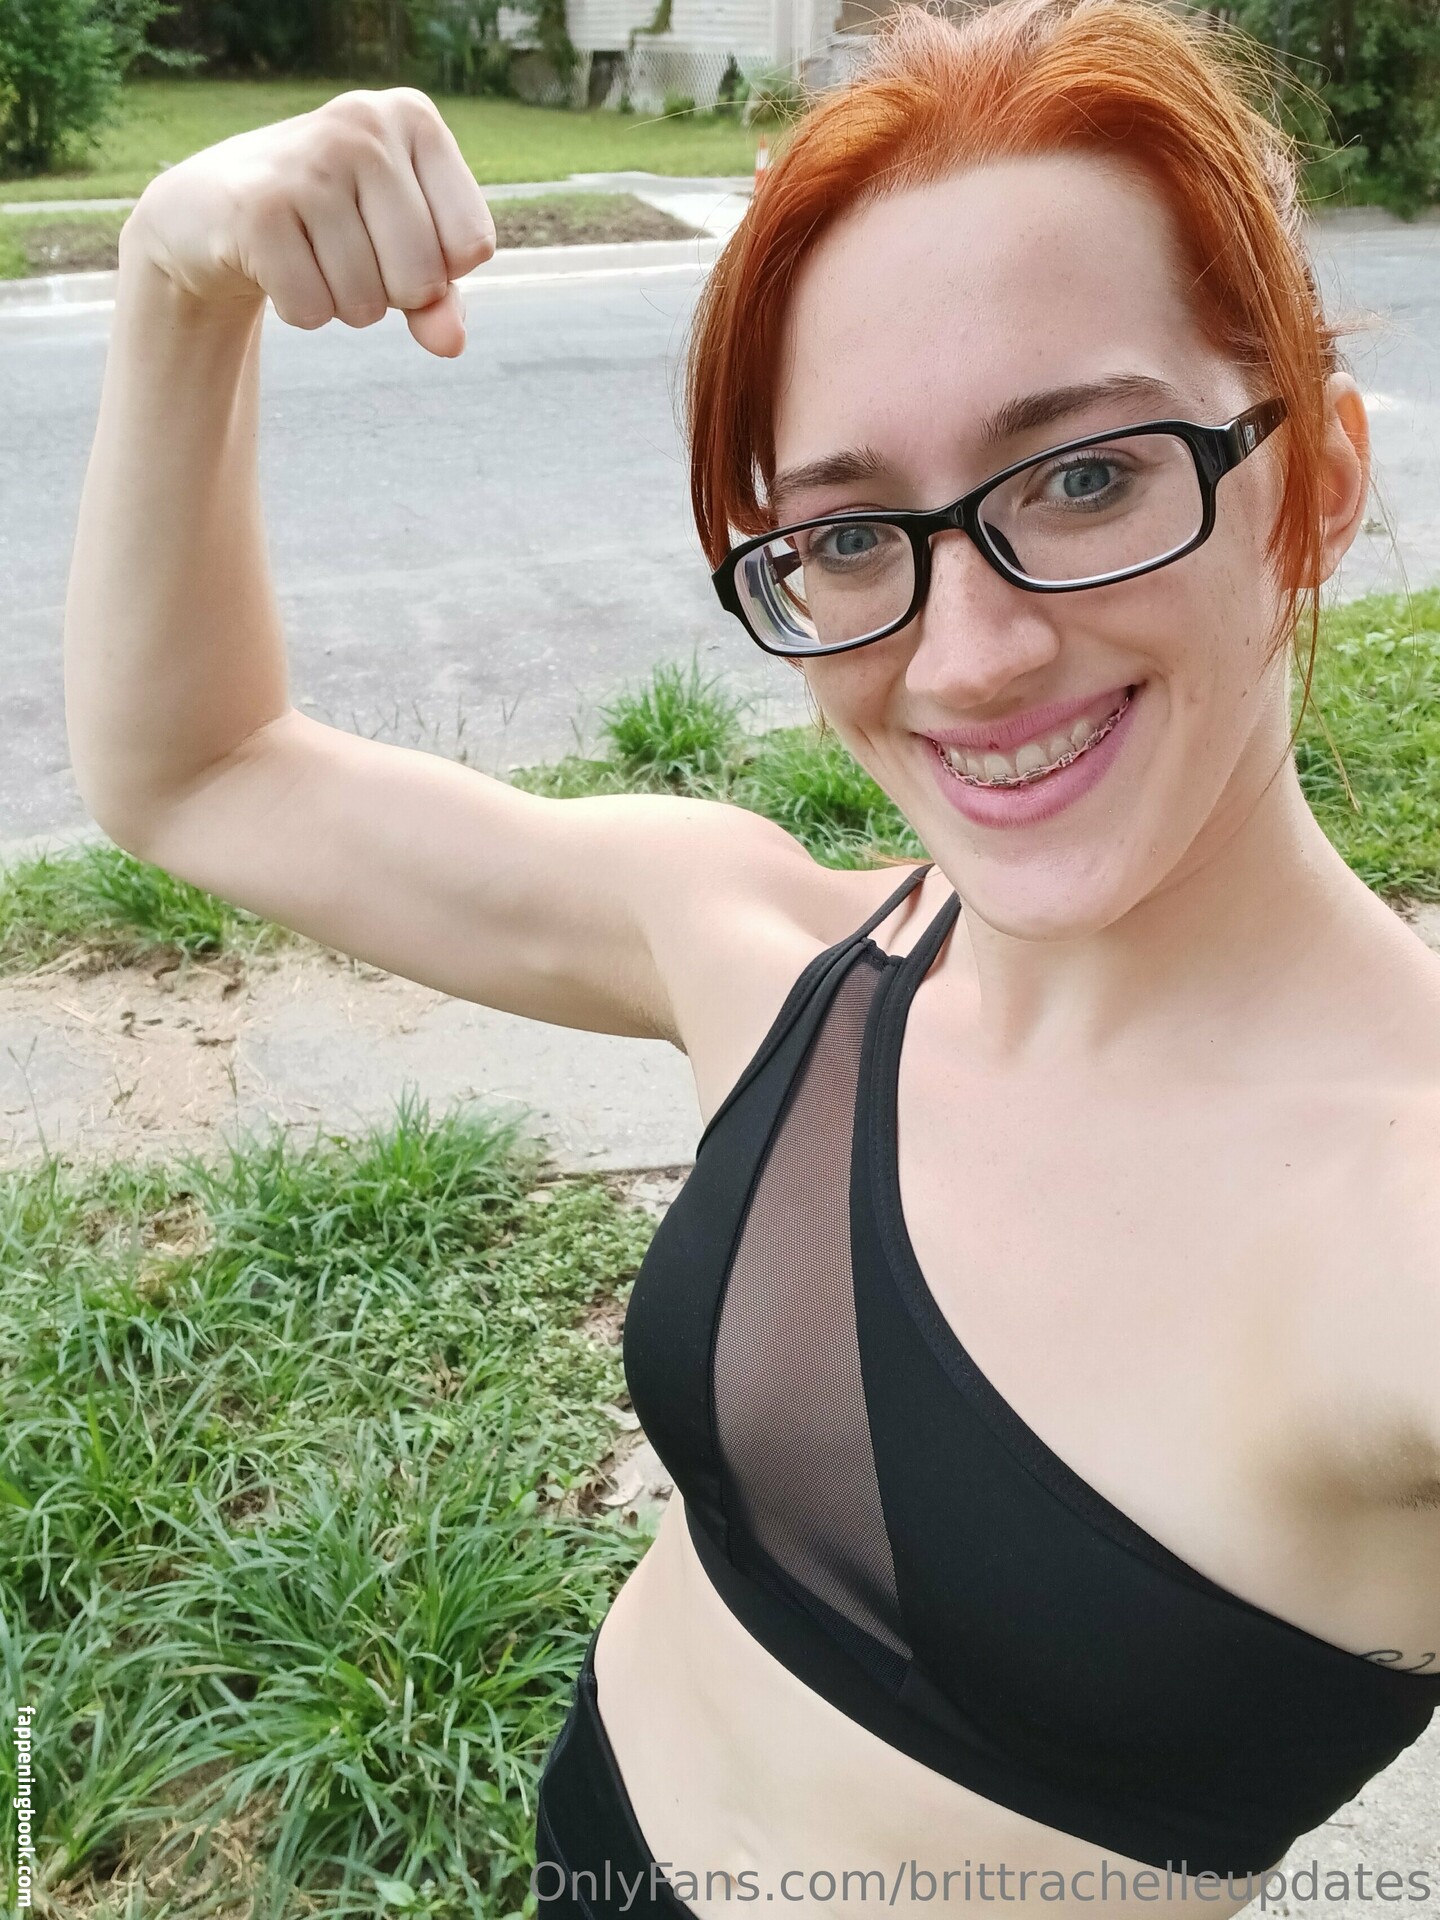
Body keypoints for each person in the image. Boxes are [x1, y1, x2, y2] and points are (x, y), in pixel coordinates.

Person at [63, 0, 1440, 1912]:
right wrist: (175, 274)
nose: (968, 658)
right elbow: (195, 770)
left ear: (1318, 482)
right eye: (850, 537)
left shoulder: (1401, 1214)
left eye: (1086, 477)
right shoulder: (777, 955)